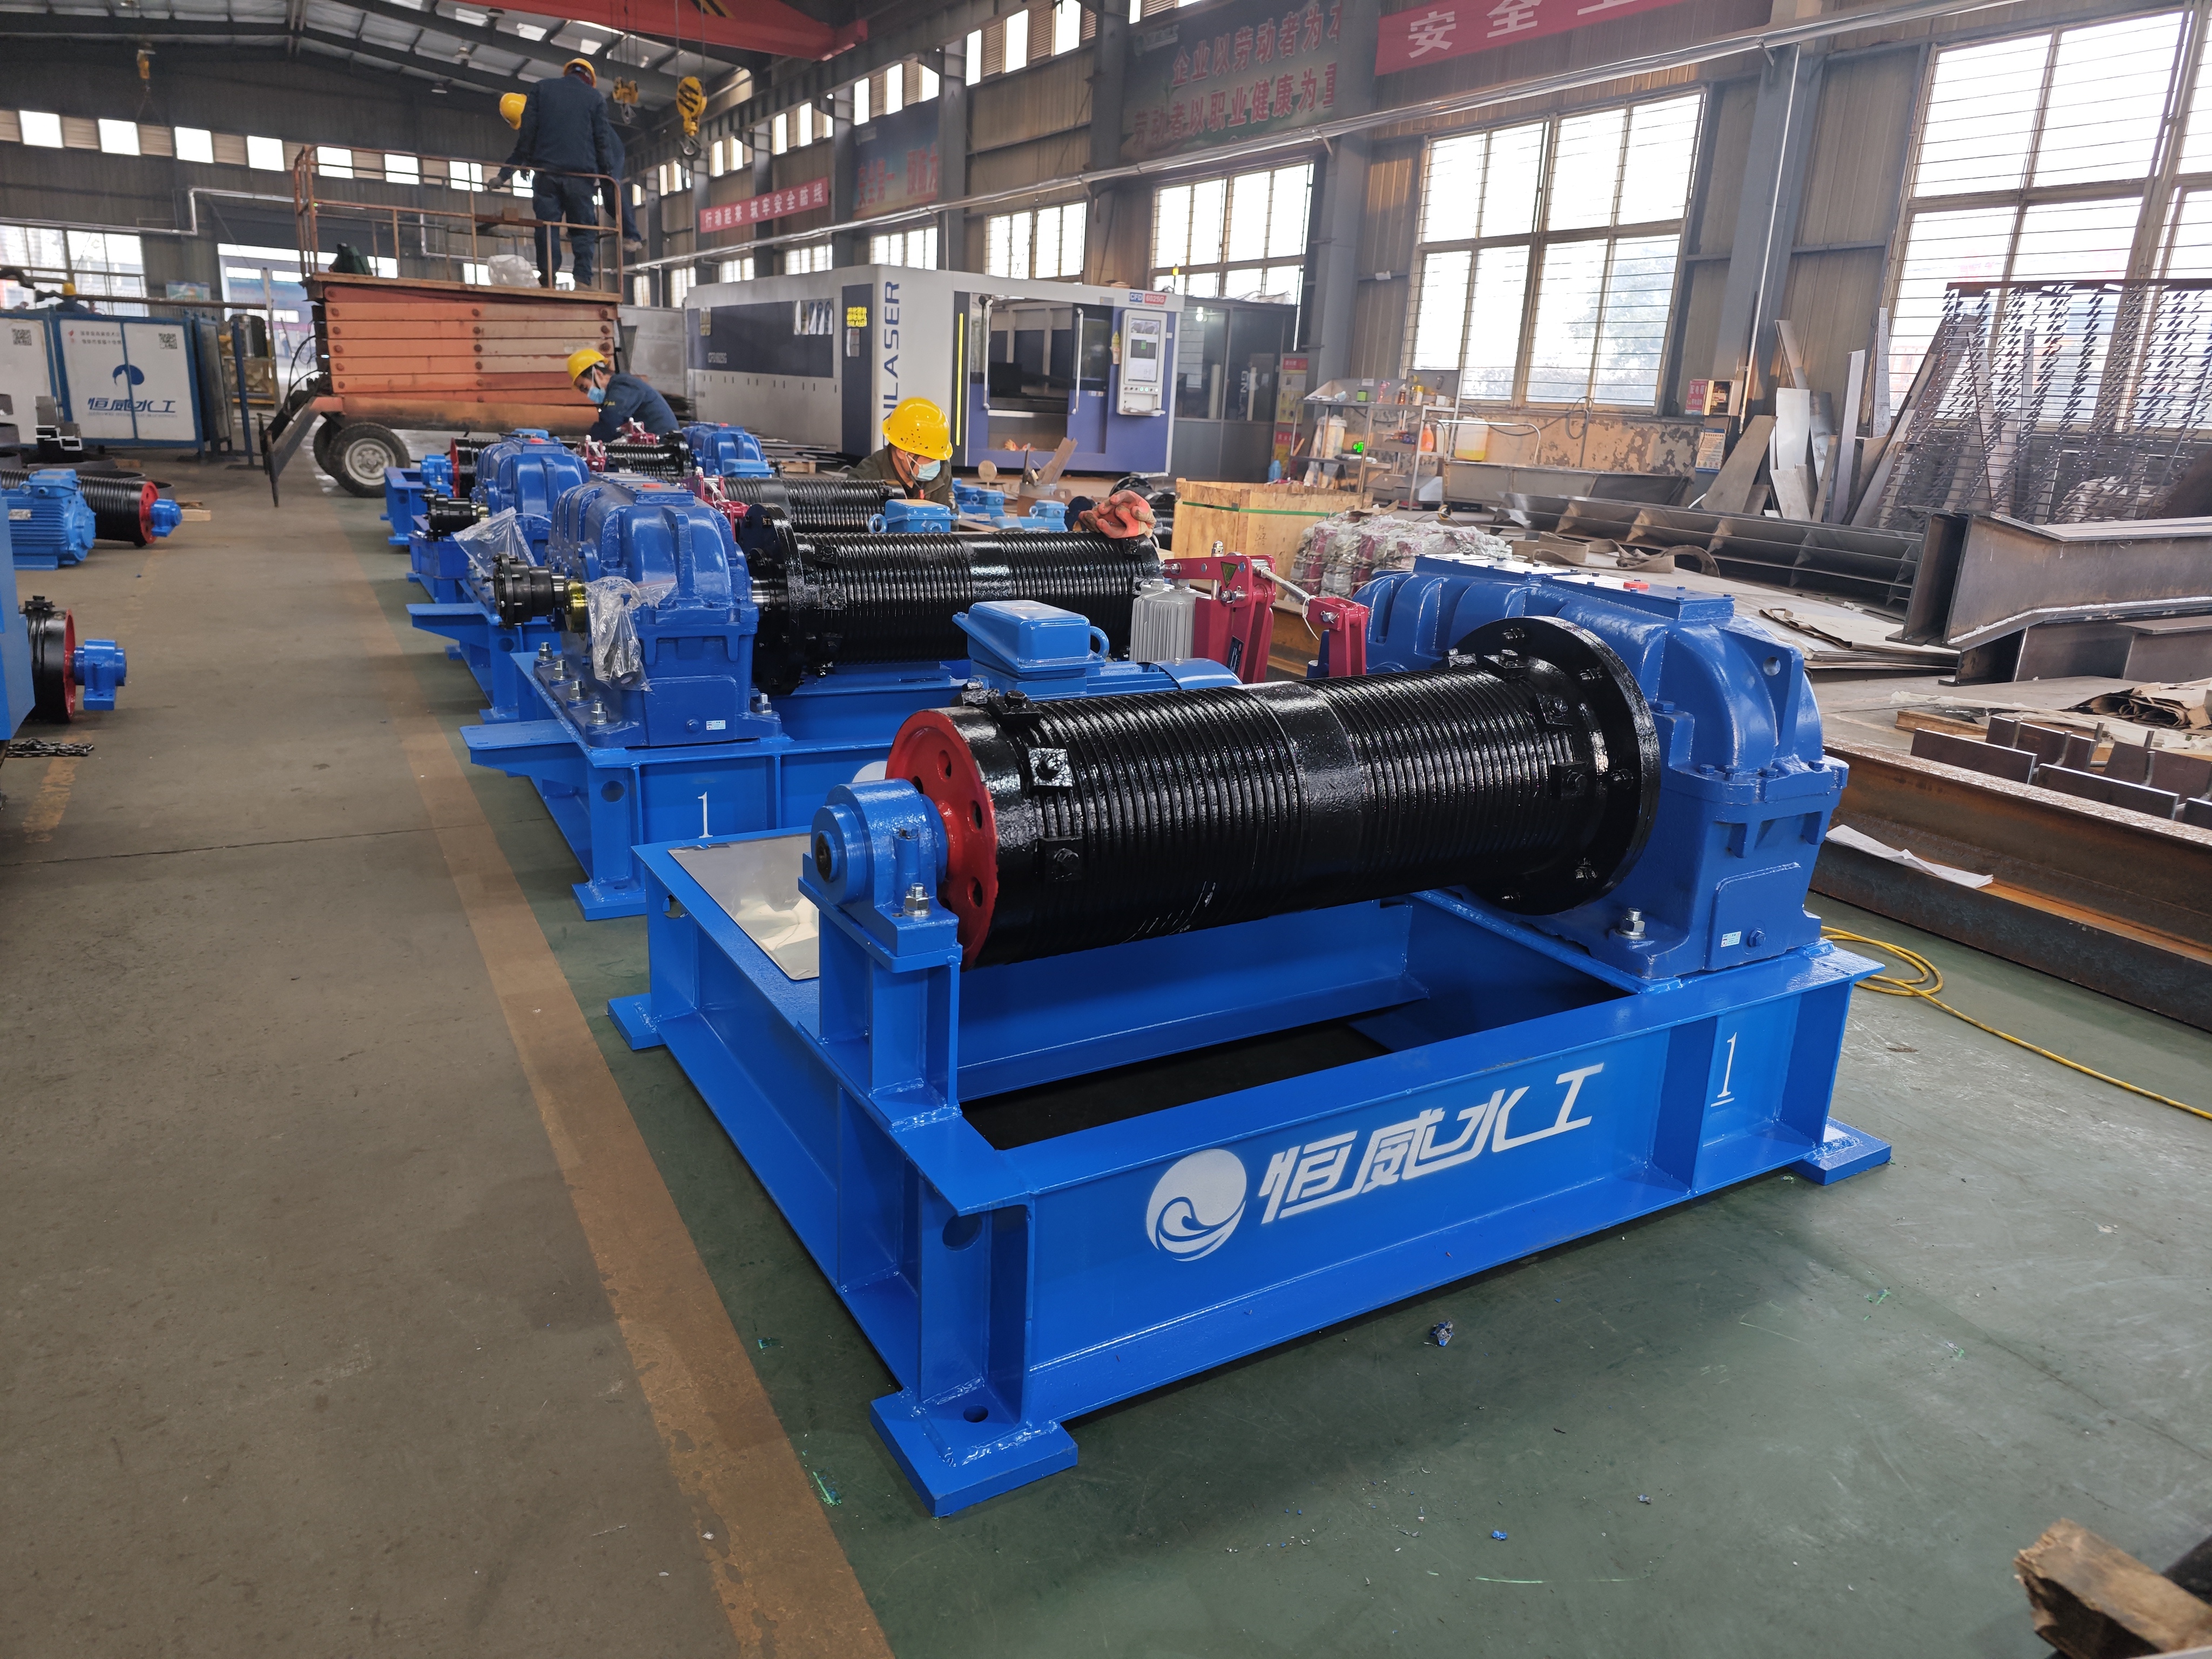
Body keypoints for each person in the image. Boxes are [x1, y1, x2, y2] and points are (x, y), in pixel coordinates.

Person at [493, 59, 616, 288]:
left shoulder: (542, 89)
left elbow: (528, 134)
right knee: (583, 229)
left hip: (546, 175)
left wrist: (506, 172)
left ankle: (548, 276)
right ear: (590, 79)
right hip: (581, 178)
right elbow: (602, 141)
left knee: (547, 226)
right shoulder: (595, 98)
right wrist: (607, 176)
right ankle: (582, 279)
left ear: (567, 72)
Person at [846, 396, 954, 505]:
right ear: (902, 452)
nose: (935, 465)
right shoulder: (865, 481)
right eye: (929, 458)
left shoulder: (942, 471)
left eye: (938, 458)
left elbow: (951, 515)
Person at [568, 347, 677, 442]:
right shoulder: (618, 388)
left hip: (663, 446)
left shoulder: (623, 386)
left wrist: (589, 442)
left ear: (598, 375)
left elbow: (610, 423)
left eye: (585, 387)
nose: (587, 394)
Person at [602, 124, 643, 253]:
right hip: (606, 148)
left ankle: (632, 235)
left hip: (609, 151)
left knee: (612, 189)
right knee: (610, 202)